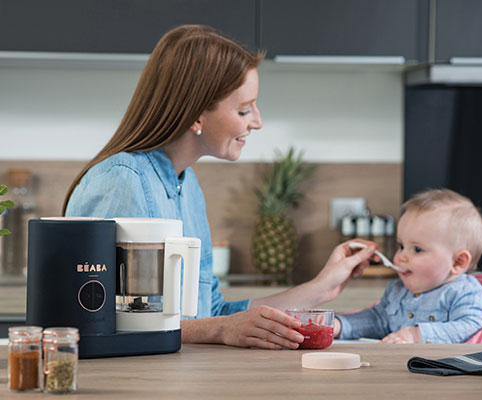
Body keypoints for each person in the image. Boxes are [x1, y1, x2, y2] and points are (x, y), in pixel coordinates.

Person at [63, 25, 377, 350]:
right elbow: (92, 323)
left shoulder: (187, 186)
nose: (257, 121)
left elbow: (211, 314)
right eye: (244, 110)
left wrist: (321, 287)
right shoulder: (121, 181)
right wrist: (221, 329)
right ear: (196, 115)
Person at [335, 188, 482, 344]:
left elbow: (473, 327)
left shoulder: (466, 293)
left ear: (458, 262)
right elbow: (378, 320)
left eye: (417, 249)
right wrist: (340, 325)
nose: (401, 256)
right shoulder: (398, 290)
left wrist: (417, 335)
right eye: (401, 246)